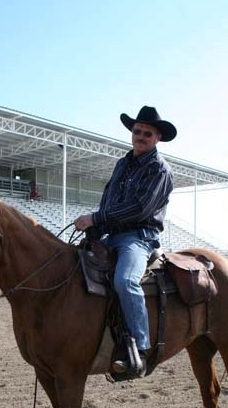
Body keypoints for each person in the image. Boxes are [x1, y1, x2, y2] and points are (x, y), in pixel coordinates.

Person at [74, 105, 177, 379]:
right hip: (112, 234)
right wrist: (98, 228)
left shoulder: (159, 169)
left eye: (147, 133)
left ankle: (140, 351)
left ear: (158, 138)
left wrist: (96, 218)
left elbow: (141, 208)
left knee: (125, 281)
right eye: (137, 131)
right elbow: (109, 199)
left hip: (138, 238)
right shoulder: (123, 163)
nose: (140, 136)